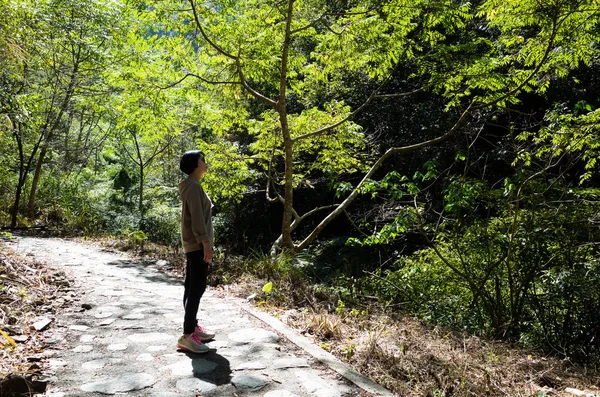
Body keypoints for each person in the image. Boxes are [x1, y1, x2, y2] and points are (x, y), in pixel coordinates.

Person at [176, 150, 215, 353]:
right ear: (194, 164)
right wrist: (205, 243)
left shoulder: (192, 186)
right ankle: (188, 334)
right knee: (197, 288)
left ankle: (192, 329)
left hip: (194, 243)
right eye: (203, 160)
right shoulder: (193, 187)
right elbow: (198, 218)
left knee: (191, 286)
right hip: (197, 244)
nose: (205, 163)